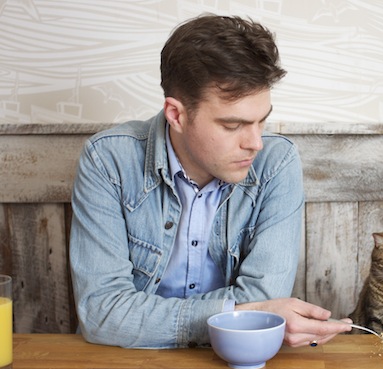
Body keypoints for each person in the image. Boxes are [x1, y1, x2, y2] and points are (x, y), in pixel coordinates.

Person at [69, 13, 351, 349]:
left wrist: (147, 318)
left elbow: (265, 300)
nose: (255, 143)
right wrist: (238, 314)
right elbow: (103, 315)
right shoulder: (109, 160)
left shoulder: (276, 163)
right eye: (233, 126)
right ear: (177, 115)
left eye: (262, 121)